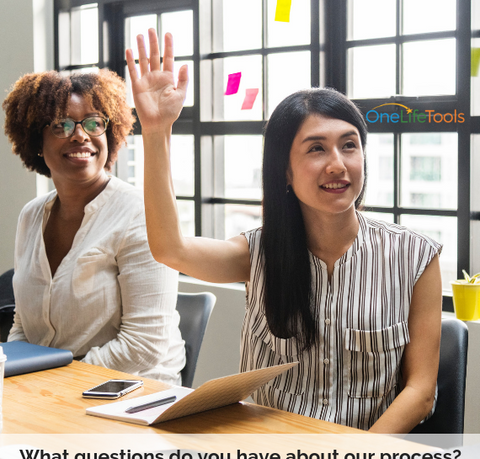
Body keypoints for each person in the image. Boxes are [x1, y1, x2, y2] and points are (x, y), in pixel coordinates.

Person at [126, 29, 442, 432]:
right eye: (316, 148)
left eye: (349, 145)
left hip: (367, 457)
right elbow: (170, 249)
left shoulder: (415, 256)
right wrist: (156, 131)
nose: (337, 164)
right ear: (286, 172)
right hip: (270, 456)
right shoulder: (257, 252)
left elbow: (420, 391)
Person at [2, 69, 185, 384]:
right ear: (36, 140)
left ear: (109, 134)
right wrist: (15, 374)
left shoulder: (140, 213)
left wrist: (56, 382)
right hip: (51, 390)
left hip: (132, 391)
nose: (80, 135)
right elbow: (24, 325)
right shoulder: (31, 216)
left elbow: (143, 347)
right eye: (61, 125)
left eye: (94, 123)